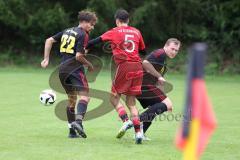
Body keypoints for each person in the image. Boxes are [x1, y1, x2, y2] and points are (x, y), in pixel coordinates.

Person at [87, 9, 146, 144]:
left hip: (124, 66)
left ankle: (126, 121)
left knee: (113, 98)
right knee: (131, 103)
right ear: (128, 20)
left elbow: (94, 41)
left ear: (117, 21)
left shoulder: (114, 31)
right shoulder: (137, 31)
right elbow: (143, 50)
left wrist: (83, 47)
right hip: (138, 66)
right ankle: (138, 133)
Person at [41, 10, 98, 138]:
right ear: (83, 22)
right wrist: (89, 64)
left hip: (62, 70)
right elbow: (78, 56)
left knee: (72, 100)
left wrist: (46, 58)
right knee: (85, 97)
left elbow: (49, 40)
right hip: (75, 69)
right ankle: (78, 122)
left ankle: (72, 132)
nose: (92, 27)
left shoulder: (67, 31)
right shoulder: (83, 34)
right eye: (91, 24)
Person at [137, 38, 181, 140]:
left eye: (176, 50)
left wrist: (163, 98)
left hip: (145, 85)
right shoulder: (160, 53)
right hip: (144, 84)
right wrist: (159, 76)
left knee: (156, 107)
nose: (174, 52)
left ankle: (141, 133)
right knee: (167, 104)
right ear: (166, 46)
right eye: (172, 49)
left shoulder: (163, 62)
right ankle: (134, 121)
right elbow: (145, 62)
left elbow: (158, 82)